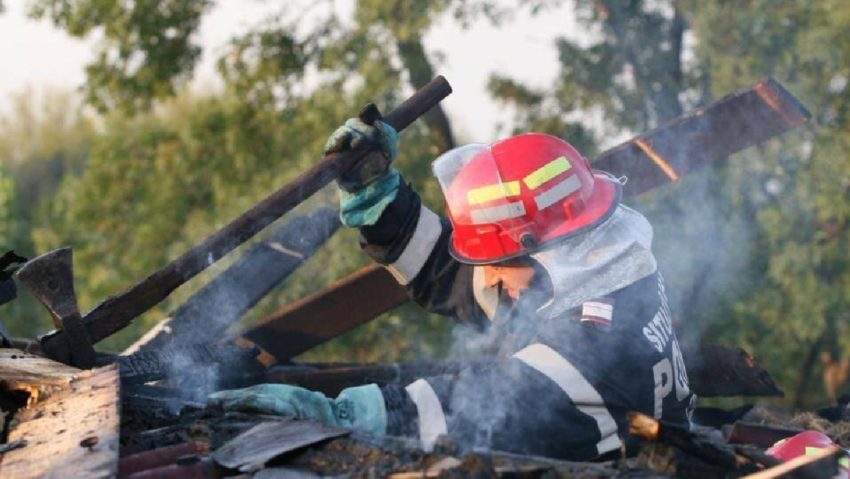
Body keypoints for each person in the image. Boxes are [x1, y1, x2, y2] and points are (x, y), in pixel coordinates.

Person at [209, 111, 695, 460]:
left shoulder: (597, 340)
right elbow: (451, 270)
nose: (494, 277)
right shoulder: (589, 278)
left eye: (501, 262)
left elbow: (479, 405)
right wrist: (378, 198)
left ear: (546, 250)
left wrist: (341, 414)